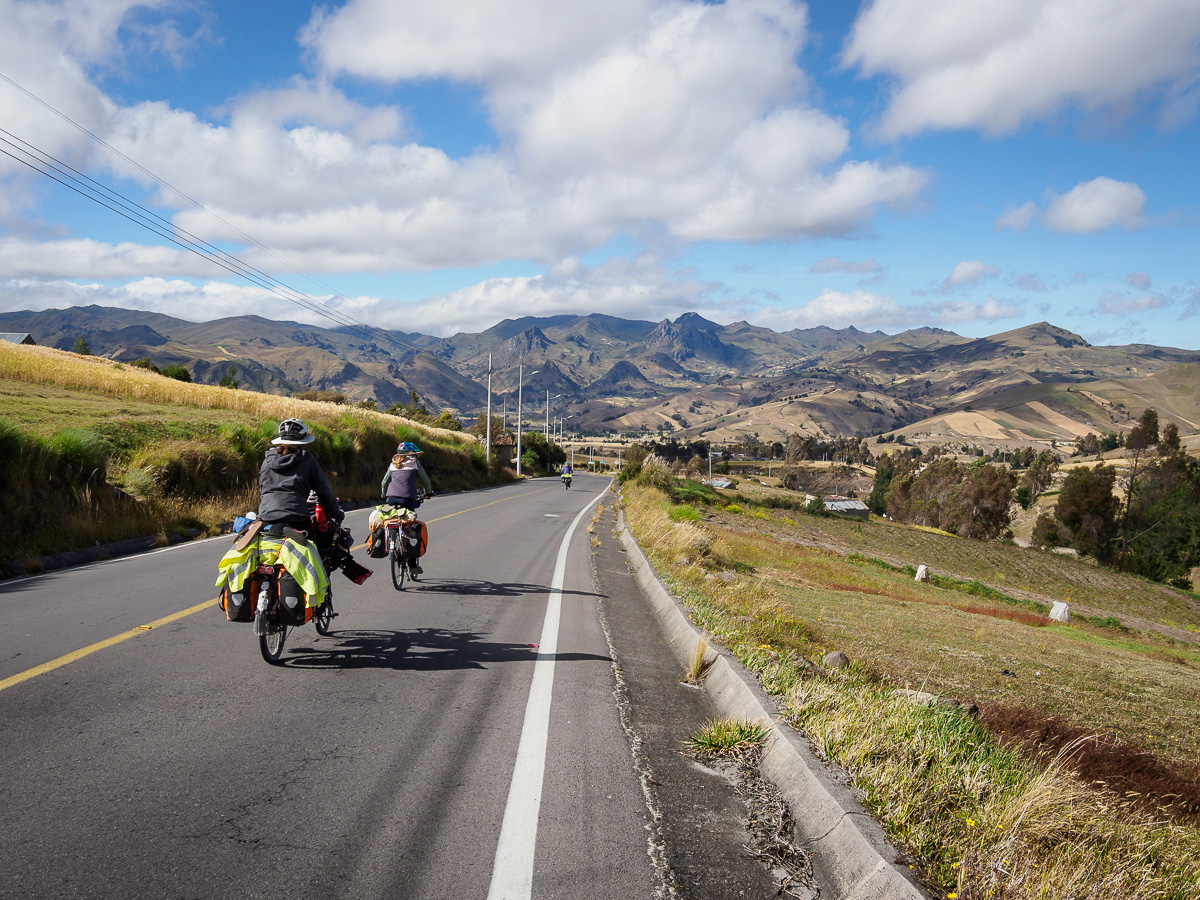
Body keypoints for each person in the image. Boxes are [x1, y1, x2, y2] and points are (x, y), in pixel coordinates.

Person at [259, 418, 344, 531]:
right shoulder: (307, 459)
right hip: (296, 518)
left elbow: (263, 489)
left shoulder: (267, 461)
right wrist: (337, 514)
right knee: (322, 540)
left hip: (266, 517)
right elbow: (324, 492)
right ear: (303, 441)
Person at [381, 441, 433, 573]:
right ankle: (413, 564)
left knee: (392, 519)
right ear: (411, 454)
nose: (415, 457)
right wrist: (428, 492)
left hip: (391, 499)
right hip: (407, 499)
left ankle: (391, 541)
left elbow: (384, 482)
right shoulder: (414, 463)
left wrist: (383, 494)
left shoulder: (393, 463)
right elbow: (426, 481)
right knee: (410, 527)